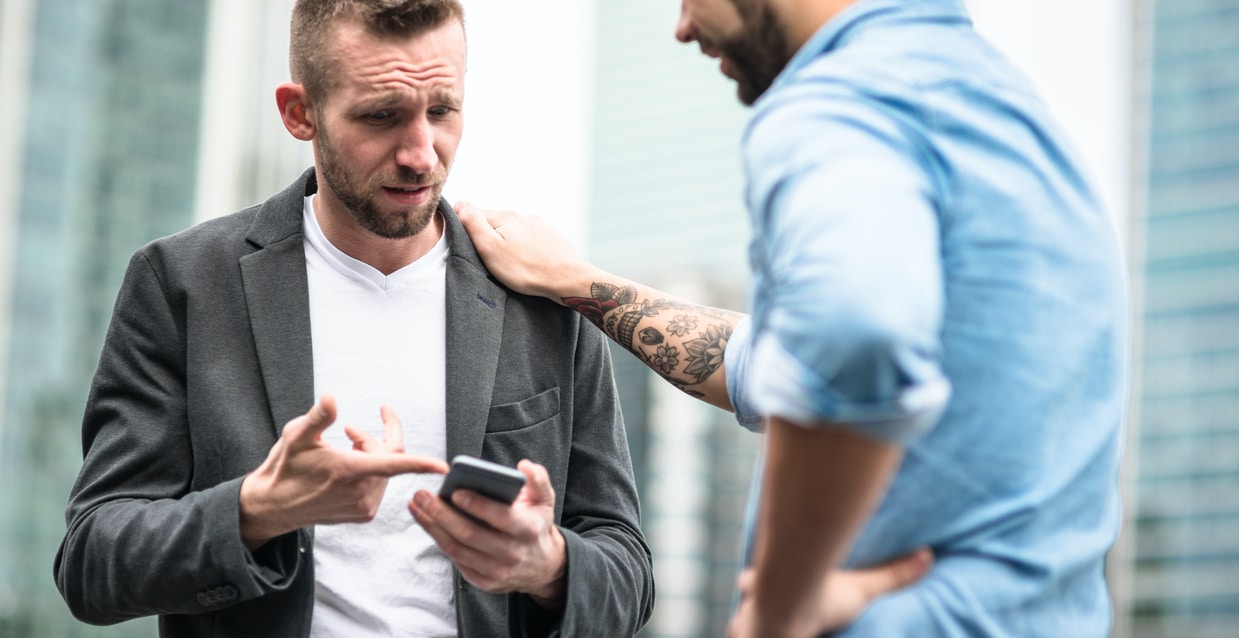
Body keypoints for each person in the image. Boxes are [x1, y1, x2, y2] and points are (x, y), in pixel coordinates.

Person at [456, 0, 1129, 636]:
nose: (682, 26)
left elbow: (853, 331)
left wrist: (781, 609)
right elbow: (780, 357)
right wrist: (578, 282)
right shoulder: (996, 109)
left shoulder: (838, 102)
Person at [53, 2, 656, 636]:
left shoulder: (545, 296)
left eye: (442, 110)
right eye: (381, 116)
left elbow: (629, 576)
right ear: (299, 112)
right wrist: (258, 510)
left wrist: (548, 565)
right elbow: (93, 562)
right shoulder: (184, 283)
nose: (422, 153)